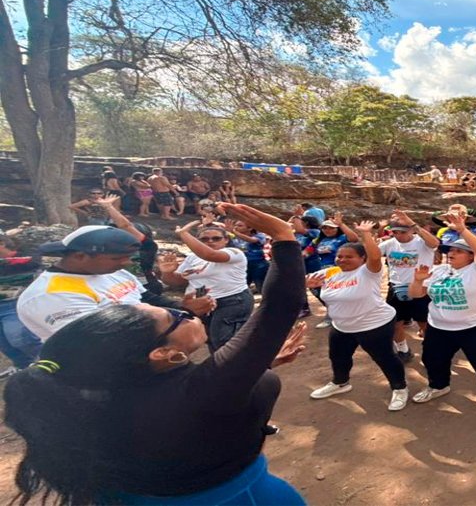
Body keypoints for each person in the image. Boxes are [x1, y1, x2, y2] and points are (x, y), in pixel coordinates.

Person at [4, 203, 308, 505]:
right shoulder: (200, 392)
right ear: (161, 353)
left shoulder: (97, 402)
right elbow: (279, 305)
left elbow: (144, 304)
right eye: (173, 317)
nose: (176, 312)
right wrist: (283, 236)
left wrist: (253, 363)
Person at [18, 222, 214, 341]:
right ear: (79, 256)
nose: (127, 263)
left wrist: (183, 306)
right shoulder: (51, 294)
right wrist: (175, 321)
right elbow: (98, 338)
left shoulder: (111, 271)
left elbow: (146, 298)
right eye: (118, 258)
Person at [408, 211, 476, 418]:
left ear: (471, 255)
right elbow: (416, 294)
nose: (451, 253)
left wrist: (463, 229)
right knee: (432, 360)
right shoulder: (439, 270)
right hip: (439, 328)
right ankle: (439, 386)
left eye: (459, 251)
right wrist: (419, 280)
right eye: (450, 250)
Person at [306, 220, 409, 411]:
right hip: (342, 326)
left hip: (374, 325)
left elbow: (376, 257)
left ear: (362, 259)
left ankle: (399, 387)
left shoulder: (368, 272)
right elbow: (305, 280)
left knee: (384, 358)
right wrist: (306, 284)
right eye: (339, 256)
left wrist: (366, 235)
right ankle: (341, 383)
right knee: (338, 356)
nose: (342, 260)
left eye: (349, 257)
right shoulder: (331, 272)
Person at [158, 218, 253, 352]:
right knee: (211, 339)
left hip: (231, 300)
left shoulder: (234, 253)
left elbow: (210, 255)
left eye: (216, 238)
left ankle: (238, 371)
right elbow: (176, 281)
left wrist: (184, 234)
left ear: (226, 240)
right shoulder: (192, 258)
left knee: (225, 342)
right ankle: (221, 370)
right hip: (201, 303)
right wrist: (167, 272)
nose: (210, 241)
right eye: (204, 239)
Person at [379, 211, 440, 363]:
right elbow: (371, 254)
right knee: (394, 323)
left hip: (421, 288)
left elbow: (434, 244)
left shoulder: (421, 242)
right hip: (396, 288)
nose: (399, 235)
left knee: (425, 323)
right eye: (395, 232)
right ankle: (403, 349)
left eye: (403, 232)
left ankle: (431, 351)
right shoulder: (389, 244)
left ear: (411, 230)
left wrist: (413, 224)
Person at [0, 235, 41, 372]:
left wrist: (6, 262)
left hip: (14, 303)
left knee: (19, 337)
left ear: (2, 244)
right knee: (4, 343)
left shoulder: (27, 256)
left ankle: (49, 362)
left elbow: (35, 263)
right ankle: (22, 366)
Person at [310, 215, 359, 329]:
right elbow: (309, 250)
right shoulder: (319, 240)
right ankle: (334, 312)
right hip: (323, 269)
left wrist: (341, 224)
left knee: (336, 293)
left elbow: (354, 238)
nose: (328, 230)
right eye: (325, 228)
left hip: (339, 270)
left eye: (331, 228)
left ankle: (332, 317)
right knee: (318, 291)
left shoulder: (342, 238)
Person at [229, 219, 270, 293]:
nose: (236, 227)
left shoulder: (259, 235)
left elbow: (251, 240)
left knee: (261, 286)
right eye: (235, 225)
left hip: (258, 265)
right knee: (242, 287)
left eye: (240, 226)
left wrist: (235, 232)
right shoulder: (234, 237)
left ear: (250, 228)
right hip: (242, 266)